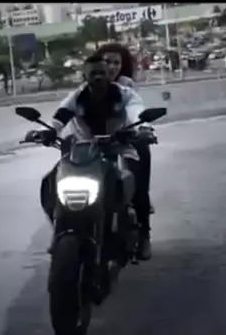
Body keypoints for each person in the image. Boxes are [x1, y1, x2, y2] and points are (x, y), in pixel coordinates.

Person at [35, 54, 153, 261]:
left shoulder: (124, 94)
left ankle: (143, 234)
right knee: (51, 181)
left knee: (134, 182)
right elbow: (61, 116)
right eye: (93, 73)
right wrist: (48, 131)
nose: (98, 77)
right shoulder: (77, 97)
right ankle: (60, 228)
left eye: (102, 72)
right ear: (85, 76)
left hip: (118, 148)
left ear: (109, 74)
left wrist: (143, 128)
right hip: (85, 150)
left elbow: (136, 111)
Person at [95, 42, 154, 216]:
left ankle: (142, 209)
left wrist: (143, 127)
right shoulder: (87, 85)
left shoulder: (126, 86)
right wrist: (51, 130)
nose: (112, 67)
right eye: (107, 61)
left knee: (141, 153)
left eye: (116, 63)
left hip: (124, 136)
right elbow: (68, 110)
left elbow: (134, 107)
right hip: (93, 139)